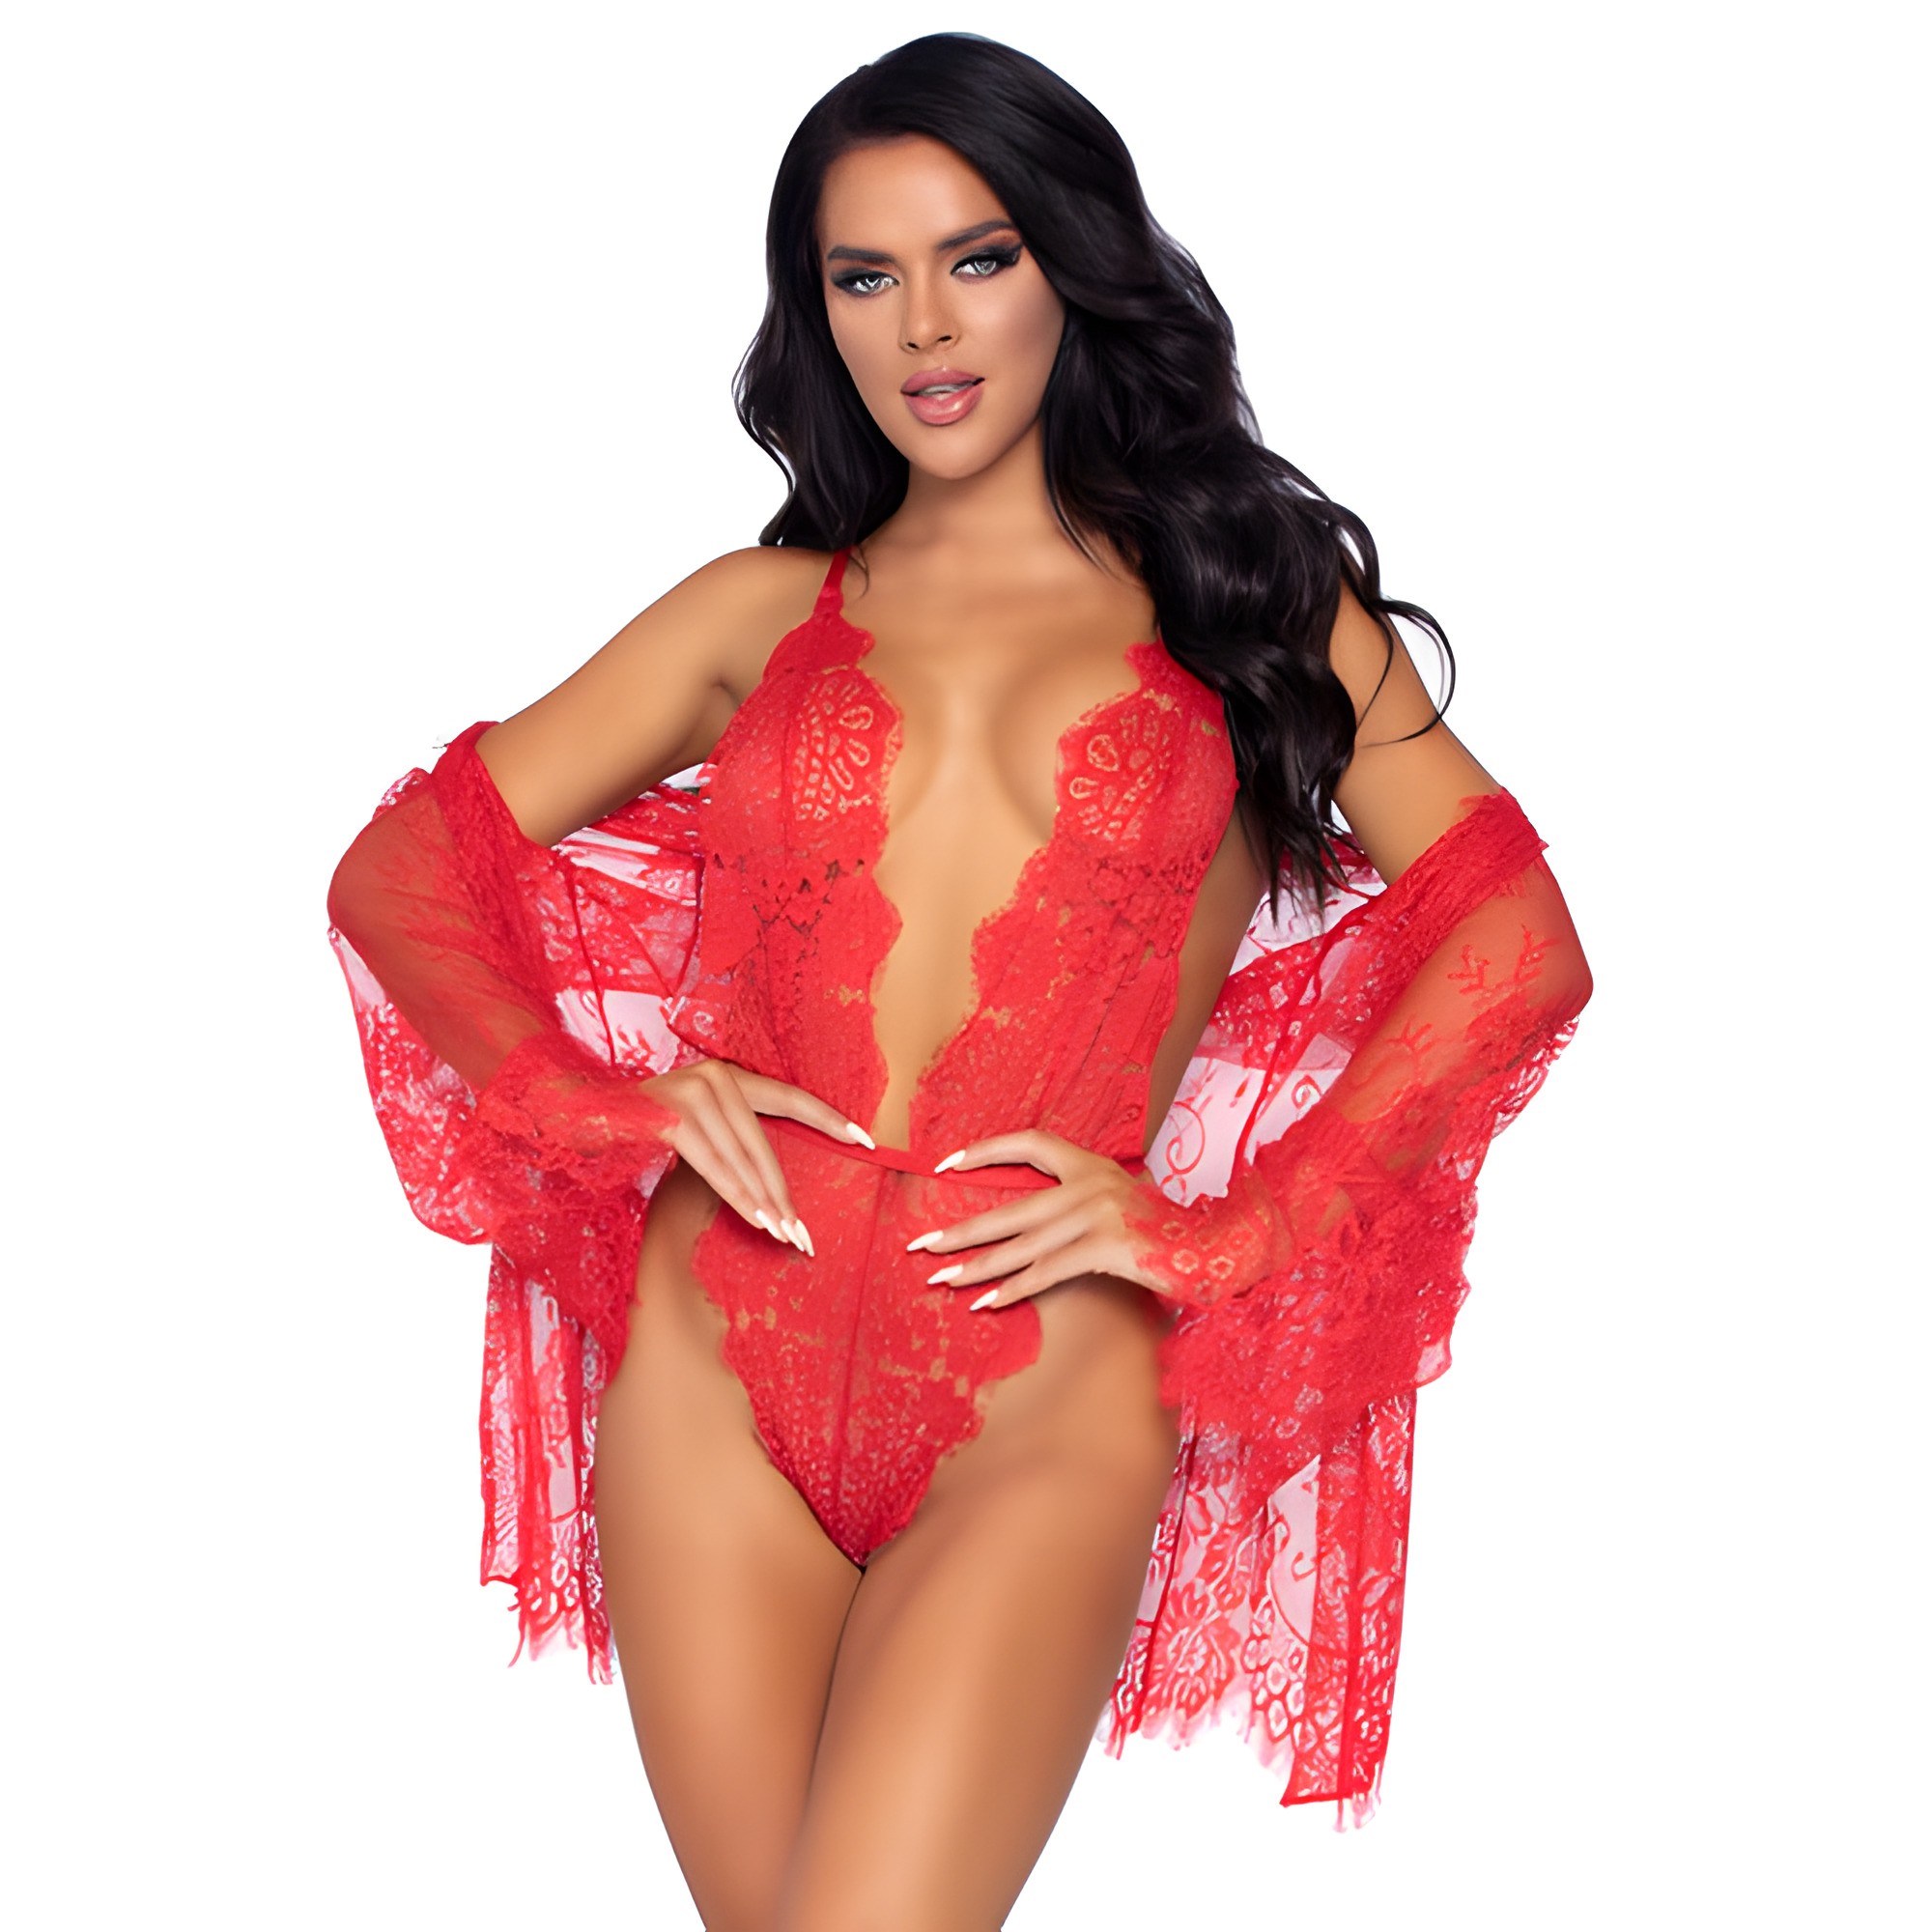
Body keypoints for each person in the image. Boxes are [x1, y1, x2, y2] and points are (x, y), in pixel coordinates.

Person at [326, 32, 1591, 1931]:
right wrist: (589, 1097)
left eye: (975, 257)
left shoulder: (1251, 606)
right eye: (864, 276)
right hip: (710, 1370)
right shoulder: (759, 612)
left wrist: (1243, 1231)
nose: (921, 324)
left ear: (1072, 263)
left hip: (1040, 1387)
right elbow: (406, 867)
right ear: (814, 310)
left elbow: (1518, 941)